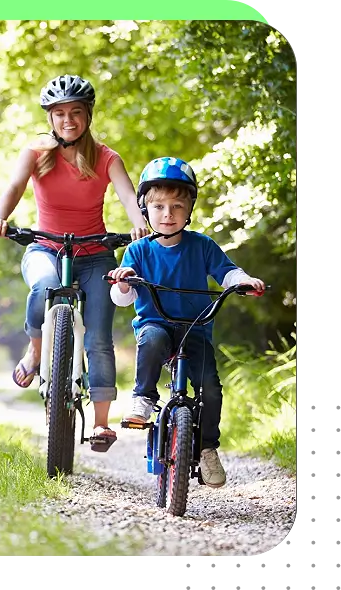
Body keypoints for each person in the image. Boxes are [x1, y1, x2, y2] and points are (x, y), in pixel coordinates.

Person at [0, 74, 150, 452]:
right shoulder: (37, 152)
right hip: (46, 248)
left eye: (76, 112)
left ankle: (101, 424)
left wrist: (139, 220)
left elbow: (128, 195)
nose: (68, 121)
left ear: (88, 115)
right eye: (59, 114)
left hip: (95, 256)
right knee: (43, 286)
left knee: (98, 338)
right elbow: (13, 186)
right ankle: (36, 348)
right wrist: (1, 215)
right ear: (50, 118)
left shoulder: (107, 157)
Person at [106, 156, 265, 487]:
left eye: (177, 206)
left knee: (211, 388)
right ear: (145, 210)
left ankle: (207, 449)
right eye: (159, 206)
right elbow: (123, 299)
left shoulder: (202, 246)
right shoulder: (138, 251)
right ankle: (144, 398)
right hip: (157, 324)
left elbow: (227, 272)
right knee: (150, 340)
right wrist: (124, 281)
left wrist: (243, 280)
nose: (168, 214)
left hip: (195, 327)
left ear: (189, 208)